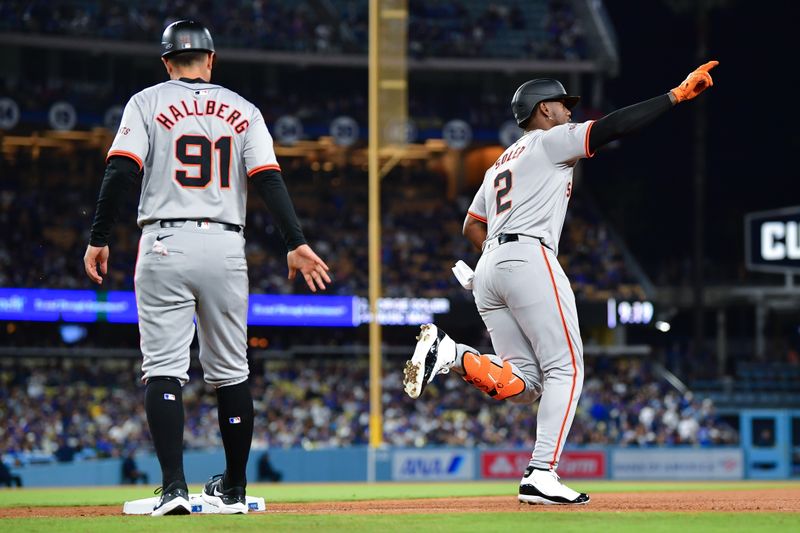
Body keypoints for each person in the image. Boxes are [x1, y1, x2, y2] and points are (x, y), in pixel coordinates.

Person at [404, 61, 718, 505]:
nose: (570, 111)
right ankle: (541, 472)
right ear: (543, 110)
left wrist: (492, 261)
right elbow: (611, 128)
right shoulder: (551, 141)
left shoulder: (499, 162)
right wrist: (674, 95)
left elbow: (472, 225)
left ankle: (453, 354)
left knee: (525, 385)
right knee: (566, 368)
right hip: (528, 255)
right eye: (563, 105)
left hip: (489, 268)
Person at [83, 20, 331, 516]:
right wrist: (295, 243)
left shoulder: (147, 101)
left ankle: (174, 489)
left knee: (165, 371)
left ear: (166, 61)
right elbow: (269, 180)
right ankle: (234, 490)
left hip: (164, 242)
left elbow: (120, 171)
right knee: (232, 372)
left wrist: (99, 237)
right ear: (211, 60)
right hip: (224, 245)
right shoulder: (244, 110)